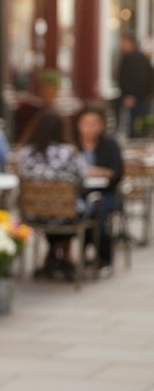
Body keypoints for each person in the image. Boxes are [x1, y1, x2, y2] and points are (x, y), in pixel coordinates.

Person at [17, 108, 89, 280]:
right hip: (66, 214)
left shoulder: (26, 153)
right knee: (76, 207)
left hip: (33, 214)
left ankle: (53, 255)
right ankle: (65, 256)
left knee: (54, 207)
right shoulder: (70, 152)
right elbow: (82, 180)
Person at [74, 102, 124, 270]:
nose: (89, 128)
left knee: (97, 211)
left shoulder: (110, 145)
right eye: (86, 123)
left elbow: (115, 172)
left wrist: (93, 171)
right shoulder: (73, 144)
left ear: (102, 125)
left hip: (105, 193)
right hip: (80, 193)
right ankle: (61, 254)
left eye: (94, 124)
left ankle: (103, 256)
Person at [117, 32, 154, 137]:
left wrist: (133, 95)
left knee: (137, 127)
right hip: (133, 98)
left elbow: (141, 80)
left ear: (131, 43)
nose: (122, 45)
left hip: (138, 99)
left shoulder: (137, 59)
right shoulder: (127, 57)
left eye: (124, 43)